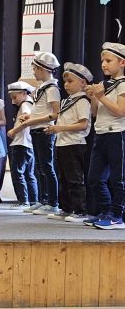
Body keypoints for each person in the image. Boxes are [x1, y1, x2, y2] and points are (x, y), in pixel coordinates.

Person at [43, 63, 92, 222]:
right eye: (65, 81)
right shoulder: (66, 101)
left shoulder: (82, 101)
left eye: (70, 81)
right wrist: (54, 128)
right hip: (62, 144)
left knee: (75, 179)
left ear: (83, 83)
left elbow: (83, 124)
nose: (66, 85)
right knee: (63, 178)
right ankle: (66, 208)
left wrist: (60, 128)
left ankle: (80, 211)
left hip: (75, 144)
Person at [84, 42, 125, 229]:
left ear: (122, 62)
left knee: (118, 179)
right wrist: (93, 98)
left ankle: (117, 215)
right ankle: (106, 211)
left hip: (117, 134)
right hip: (100, 134)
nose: (103, 64)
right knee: (94, 178)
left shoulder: (123, 84)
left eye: (108, 61)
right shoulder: (102, 85)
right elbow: (95, 113)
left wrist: (100, 96)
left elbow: (120, 111)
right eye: (102, 61)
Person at [17, 52, 61, 216]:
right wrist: (30, 117)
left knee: (47, 167)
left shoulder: (52, 89)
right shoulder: (42, 88)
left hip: (45, 131)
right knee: (40, 167)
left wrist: (33, 120)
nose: (34, 72)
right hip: (36, 129)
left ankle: (53, 203)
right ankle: (43, 200)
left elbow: (56, 114)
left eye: (35, 69)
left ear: (43, 69)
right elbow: (41, 110)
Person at [6, 81, 38, 210]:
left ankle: (23, 201)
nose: (13, 101)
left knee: (17, 172)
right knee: (29, 174)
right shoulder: (31, 103)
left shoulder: (25, 105)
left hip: (21, 142)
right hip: (28, 143)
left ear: (24, 93)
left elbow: (26, 120)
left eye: (15, 97)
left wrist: (14, 131)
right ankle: (33, 201)